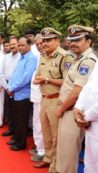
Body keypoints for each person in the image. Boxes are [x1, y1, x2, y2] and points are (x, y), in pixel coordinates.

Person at [56, 25, 97, 173]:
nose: (73, 43)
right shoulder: (77, 58)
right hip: (67, 110)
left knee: (68, 153)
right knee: (63, 150)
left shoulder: (88, 60)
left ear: (89, 41)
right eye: (71, 40)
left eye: (78, 39)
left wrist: (61, 108)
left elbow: (77, 92)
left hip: (73, 111)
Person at [33, 27, 73, 172]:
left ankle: (55, 166)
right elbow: (38, 74)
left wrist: (47, 79)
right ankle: (48, 158)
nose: (44, 43)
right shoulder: (43, 55)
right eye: (43, 40)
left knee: (57, 136)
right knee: (46, 132)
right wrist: (37, 80)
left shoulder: (65, 56)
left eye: (48, 40)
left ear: (57, 40)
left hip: (56, 100)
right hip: (43, 99)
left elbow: (69, 82)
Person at [6, 37, 37, 151]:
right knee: (16, 119)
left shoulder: (31, 58)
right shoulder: (22, 57)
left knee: (22, 121)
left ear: (29, 45)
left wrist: (12, 88)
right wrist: (10, 88)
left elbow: (26, 78)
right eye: (19, 45)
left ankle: (21, 143)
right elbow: (15, 74)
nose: (20, 47)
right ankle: (16, 138)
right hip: (15, 93)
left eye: (22, 45)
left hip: (23, 94)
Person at [74, 56, 98, 173]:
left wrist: (85, 117)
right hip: (89, 123)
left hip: (91, 119)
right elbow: (88, 86)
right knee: (90, 164)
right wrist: (78, 107)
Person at [1, 36, 21, 137]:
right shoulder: (6, 57)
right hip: (7, 85)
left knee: (16, 111)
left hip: (17, 87)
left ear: (18, 44)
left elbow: (21, 75)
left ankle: (17, 132)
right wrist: (7, 87)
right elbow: (2, 73)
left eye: (14, 44)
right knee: (8, 110)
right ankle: (10, 128)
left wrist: (12, 87)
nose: (12, 46)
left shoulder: (21, 57)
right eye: (11, 44)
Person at [29, 34, 45, 161]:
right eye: (37, 44)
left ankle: (43, 151)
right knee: (36, 123)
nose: (39, 46)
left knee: (42, 124)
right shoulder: (39, 56)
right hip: (36, 97)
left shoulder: (51, 57)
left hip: (44, 97)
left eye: (41, 43)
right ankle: (38, 146)